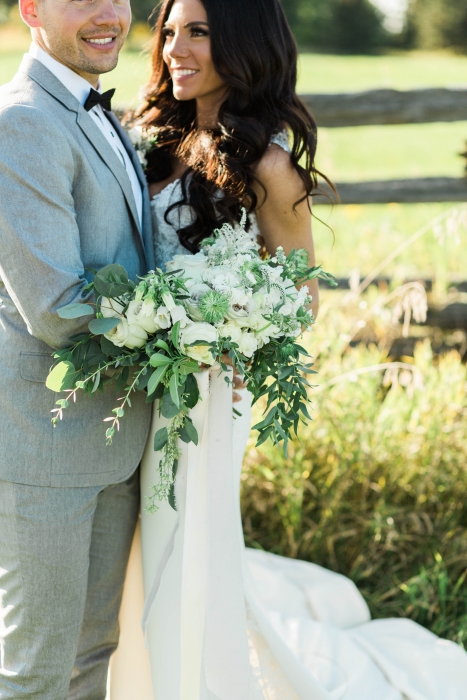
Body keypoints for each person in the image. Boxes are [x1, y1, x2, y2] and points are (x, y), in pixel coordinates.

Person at [109, 0, 467, 698]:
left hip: (206, 396)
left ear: (242, 44)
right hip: (123, 381)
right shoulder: (141, 136)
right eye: (171, 31)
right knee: (122, 547)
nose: (175, 48)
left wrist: (217, 330)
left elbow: (297, 297)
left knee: (180, 550)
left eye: (200, 32)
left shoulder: (269, 167)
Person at [0, 0, 155, 697]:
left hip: (116, 440)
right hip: (44, 446)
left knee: (91, 655)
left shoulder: (96, 111)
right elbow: (60, 308)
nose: (107, 14)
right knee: (34, 673)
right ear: (30, 8)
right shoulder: (22, 122)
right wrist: (196, 324)